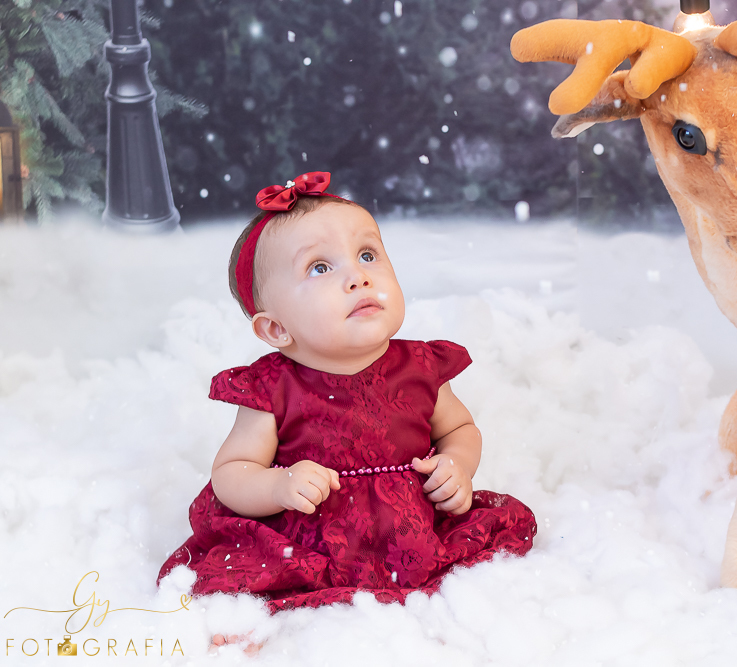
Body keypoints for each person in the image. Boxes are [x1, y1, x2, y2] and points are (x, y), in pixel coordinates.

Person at [157, 172, 536, 651]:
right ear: (275, 329)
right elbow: (231, 475)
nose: (358, 276)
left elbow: (460, 427)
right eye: (319, 268)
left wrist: (458, 463)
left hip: (410, 529)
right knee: (245, 575)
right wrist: (279, 484)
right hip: (312, 536)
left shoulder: (419, 367)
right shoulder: (273, 388)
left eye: (368, 255)